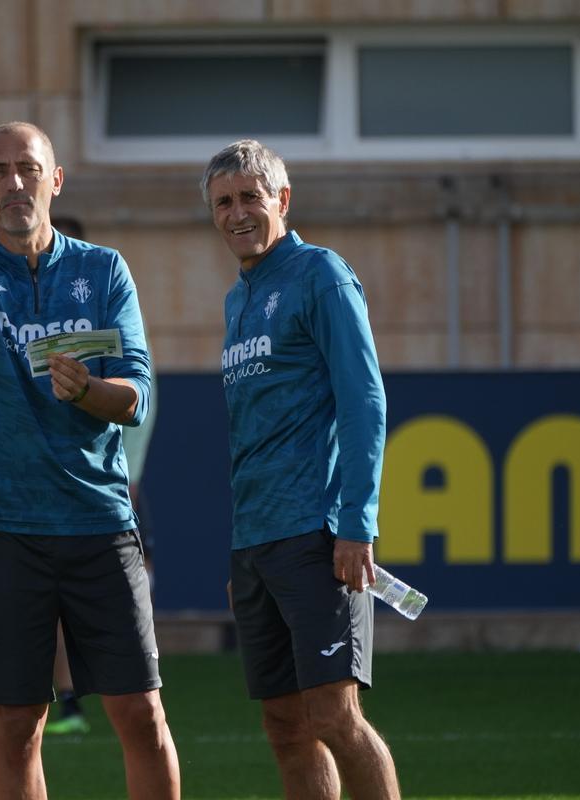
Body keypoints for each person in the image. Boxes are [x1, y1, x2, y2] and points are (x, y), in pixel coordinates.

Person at [0, 122, 180, 800]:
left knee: (141, 713)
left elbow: (138, 395)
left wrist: (91, 391)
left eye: (28, 168)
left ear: (55, 178)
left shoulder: (103, 269)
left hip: (100, 523)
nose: (14, 183)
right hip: (6, 530)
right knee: (17, 723)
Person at [202, 139, 400, 800]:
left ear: (281, 200)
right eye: (223, 202)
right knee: (285, 726)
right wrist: (244, 555)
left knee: (335, 717)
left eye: (249, 198)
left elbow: (364, 401)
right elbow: (252, 435)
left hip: (316, 531)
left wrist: (356, 524)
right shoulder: (238, 300)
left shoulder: (321, 274)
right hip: (257, 544)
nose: (236, 214)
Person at [42, 216, 161, 739]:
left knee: (128, 600)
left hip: (108, 493)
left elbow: (139, 395)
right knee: (55, 613)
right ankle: (68, 698)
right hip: (38, 500)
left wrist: (129, 475)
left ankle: (109, 686)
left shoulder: (107, 302)